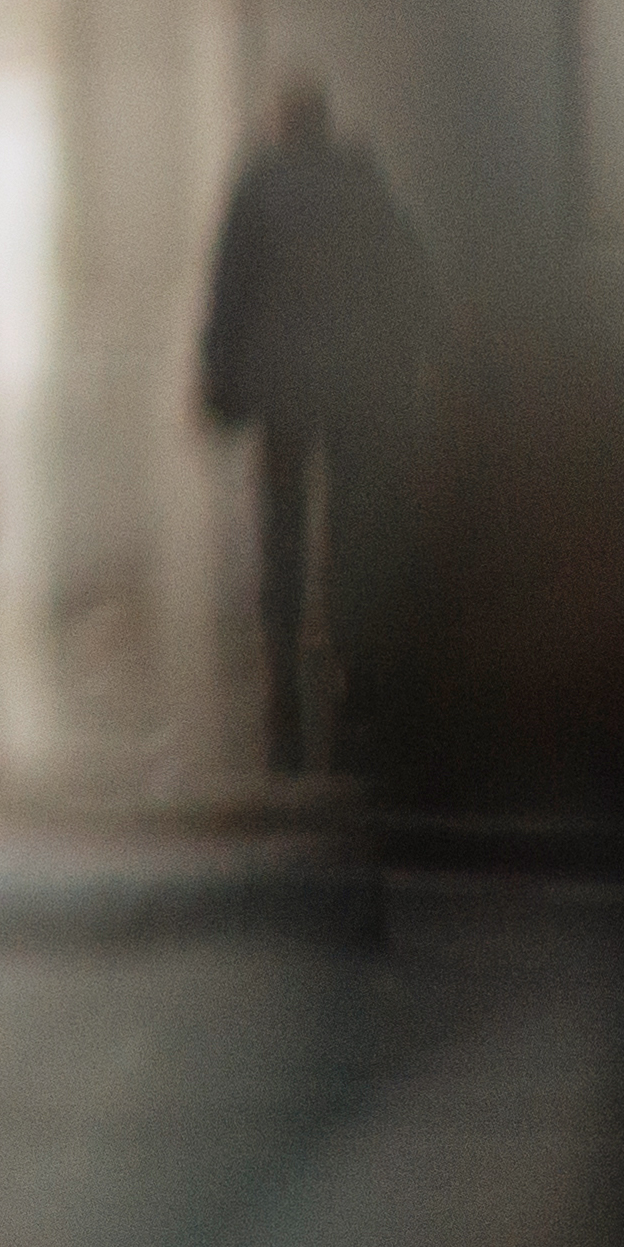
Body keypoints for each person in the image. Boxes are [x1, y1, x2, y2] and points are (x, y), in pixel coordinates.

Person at [201, 75, 433, 781]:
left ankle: (282, 667)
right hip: (354, 384)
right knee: (353, 523)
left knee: (283, 529)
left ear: (280, 124)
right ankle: (351, 660)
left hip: (282, 390)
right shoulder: (364, 183)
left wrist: (218, 382)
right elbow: (405, 277)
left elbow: (229, 291)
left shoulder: (258, 187)